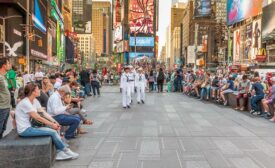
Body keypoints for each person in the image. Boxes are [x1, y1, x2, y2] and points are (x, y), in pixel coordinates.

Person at [15, 82, 79, 160]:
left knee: (53, 130)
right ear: (33, 92)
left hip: (31, 127)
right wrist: (52, 124)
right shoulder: (25, 102)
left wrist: (54, 121)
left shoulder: (34, 100)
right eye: (38, 89)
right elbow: (38, 117)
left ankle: (60, 152)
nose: (40, 90)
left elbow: (44, 113)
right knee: (52, 131)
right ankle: (65, 150)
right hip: (25, 130)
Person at [0, 58, 11, 139]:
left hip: (6, 106)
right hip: (1, 107)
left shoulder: (3, 77)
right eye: (8, 63)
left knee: (3, 128)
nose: (10, 65)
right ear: (4, 65)